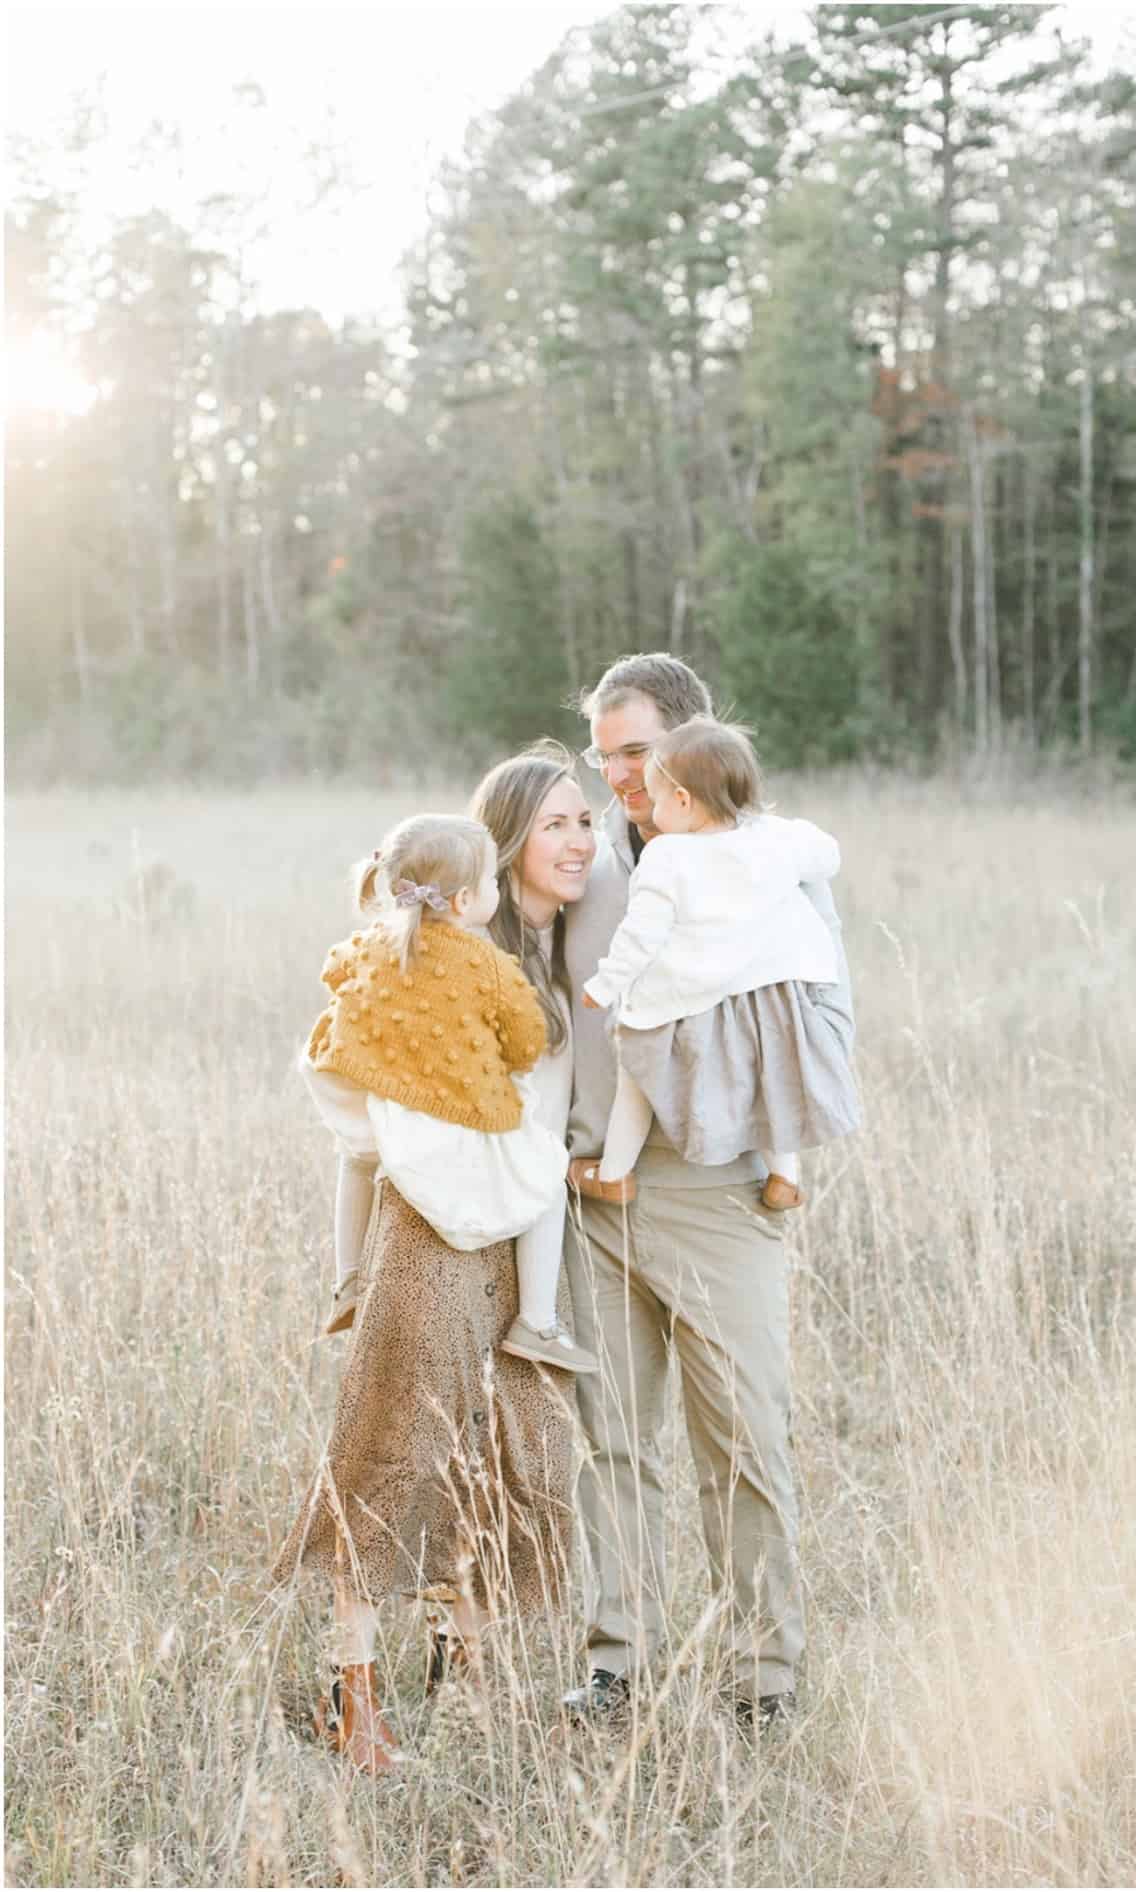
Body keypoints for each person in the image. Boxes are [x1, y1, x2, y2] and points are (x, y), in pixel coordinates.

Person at [273, 749, 596, 1774]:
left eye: (584, 823)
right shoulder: (469, 961)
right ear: (485, 873)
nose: (578, 841)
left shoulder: (472, 955)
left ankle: (463, 1682)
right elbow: (366, 1134)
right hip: (435, 1240)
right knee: (391, 1454)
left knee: (504, 1462)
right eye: (554, 825)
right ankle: (351, 1695)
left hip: (497, 1244)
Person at [560, 655, 859, 1734]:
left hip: (719, 1192)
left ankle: (764, 1679)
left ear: (693, 740)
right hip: (590, 1194)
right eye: (606, 758)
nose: (621, 778)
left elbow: (820, 1022)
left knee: (741, 1437)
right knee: (610, 1443)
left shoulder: (767, 860)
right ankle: (613, 1667)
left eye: (637, 752)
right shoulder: (582, 861)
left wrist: (778, 1153)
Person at [301, 809, 595, 1374]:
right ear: (463, 901)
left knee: (355, 1161)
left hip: (380, 1110)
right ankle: (537, 1322)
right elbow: (526, 1037)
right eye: (490, 882)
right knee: (545, 1177)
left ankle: (348, 1282)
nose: (494, 890)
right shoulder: (483, 961)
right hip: (453, 1116)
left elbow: (333, 972)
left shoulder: (371, 945)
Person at [574, 716, 856, 1214]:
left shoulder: (668, 857)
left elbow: (640, 934)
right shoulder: (775, 837)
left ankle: (615, 1173)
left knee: (635, 1078)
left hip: (686, 1002)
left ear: (682, 800)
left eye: (658, 799)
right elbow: (827, 855)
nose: (654, 811)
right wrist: (786, 832)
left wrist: (605, 984)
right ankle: (784, 1178)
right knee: (773, 1084)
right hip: (768, 1000)